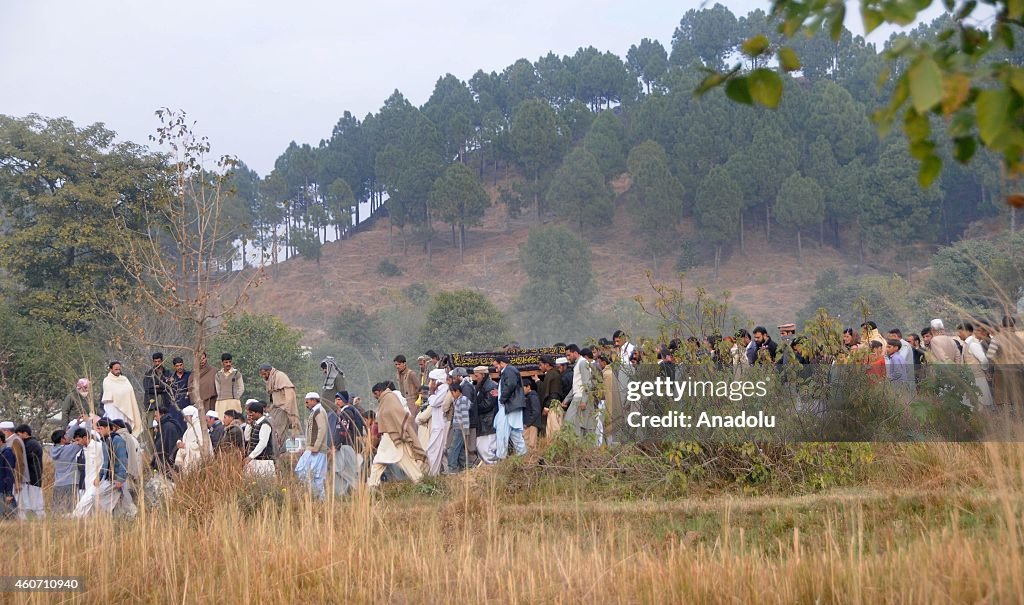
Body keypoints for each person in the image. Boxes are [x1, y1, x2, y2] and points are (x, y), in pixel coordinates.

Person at [368, 382, 426, 487]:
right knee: (402, 461)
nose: (376, 398)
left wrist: (399, 430)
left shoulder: (389, 398)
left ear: (378, 392)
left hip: (392, 435)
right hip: (391, 435)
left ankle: (372, 486)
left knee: (379, 461)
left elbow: (397, 413)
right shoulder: (386, 398)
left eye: (375, 395)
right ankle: (420, 481)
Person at [74, 418, 132, 518]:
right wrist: (100, 477)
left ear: (109, 428)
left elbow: (122, 460)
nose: (98, 431)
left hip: (116, 478)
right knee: (115, 501)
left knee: (121, 501)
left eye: (100, 428)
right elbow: (105, 463)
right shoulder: (105, 442)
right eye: (98, 429)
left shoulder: (117, 440)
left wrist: (120, 479)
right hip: (108, 477)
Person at [259, 363, 299, 458]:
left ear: (269, 371)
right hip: (275, 409)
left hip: (282, 409)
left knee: (279, 434)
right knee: (272, 433)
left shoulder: (280, 376)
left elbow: (290, 394)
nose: (263, 376)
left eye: (264, 374)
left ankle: (278, 455)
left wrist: (287, 408)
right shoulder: (271, 379)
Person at [295, 393, 329, 500]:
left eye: (307, 401)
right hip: (312, 448)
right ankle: (314, 497)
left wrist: (316, 446)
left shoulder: (319, 412)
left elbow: (322, 429)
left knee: (314, 475)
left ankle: (319, 499)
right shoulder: (315, 412)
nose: (306, 404)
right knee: (306, 473)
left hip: (316, 450)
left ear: (314, 400)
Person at [332, 392, 366, 496]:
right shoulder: (349, 411)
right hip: (347, 446)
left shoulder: (346, 413)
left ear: (345, 401)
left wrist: (336, 445)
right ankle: (343, 493)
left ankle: (359, 490)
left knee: (344, 471)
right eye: (336, 399)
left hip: (345, 446)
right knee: (343, 470)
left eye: (339, 399)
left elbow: (343, 431)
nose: (337, 402)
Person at [495, 355, 527, 459]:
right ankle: (522, 455)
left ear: (501, 363)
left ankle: (502, 457)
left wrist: (502, 399)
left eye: (496, 366)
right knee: (514, 432)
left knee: (502, 432)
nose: (496, 369)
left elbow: (510, 385)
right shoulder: (509, 371)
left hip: (509, 407)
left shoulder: (508, 370)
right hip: (510, 407)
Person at [101, 361, 143, 437]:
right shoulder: (107, 380)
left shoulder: (124, 379)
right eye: (116, 369)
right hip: (114, 407)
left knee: (126, 427)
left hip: (126, 407)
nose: (118, 371)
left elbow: (130, 391)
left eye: (119, 369)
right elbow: (111, 393)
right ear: (111, 369)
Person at [48, 427, 81, 515]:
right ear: (62, 439)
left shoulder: (53, 450)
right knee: (70, 508)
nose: (68, 436)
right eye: (65, 435)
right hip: (70, 481)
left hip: (58, 482)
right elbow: (85, 438)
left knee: (57, 507)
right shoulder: (69, 449)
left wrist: (76, 424)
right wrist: (88, 423)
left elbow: (68, 436)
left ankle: (56, 522)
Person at [447, 368, 475, 472]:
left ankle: (452, 467)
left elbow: (464, 416)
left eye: (453, 392)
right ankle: (469, 466)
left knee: (453, 448)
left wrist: (464, 430)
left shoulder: (462, 401)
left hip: (460, 428)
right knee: (461, 449)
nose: (452, 395)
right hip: (458, 427)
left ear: (458, 391)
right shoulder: (458, 400)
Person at [423, 368, 450, 475]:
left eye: (432, 380)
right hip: (437, 425)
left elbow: (434, 402)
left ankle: (433, 474)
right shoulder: (439, 390)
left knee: (433, 450)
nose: (430, 383)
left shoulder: (444, 389)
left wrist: (432, 393)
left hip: (441, 425)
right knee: (439, 452)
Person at [15, 424, 44, 519]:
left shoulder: (31, 444)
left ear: (25, 433)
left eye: (19, 434)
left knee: (36, 502)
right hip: (32, 476)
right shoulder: (30, 443)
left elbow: (24, 459)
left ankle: (40, 518)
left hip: (33, 476)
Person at [471, 366, 499, 465]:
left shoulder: (492, 386)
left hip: (488, 422)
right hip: (483, 422)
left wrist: (473, 407)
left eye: (477, 375)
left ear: (483, 375)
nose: (476, 378)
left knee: (485, 448)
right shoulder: (481, 386)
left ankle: (493, 468)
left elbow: (488, 404)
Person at [243, 401, 275, 477]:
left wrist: (251, 456)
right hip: (255, 460)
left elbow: (262, 443)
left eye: (251, 412)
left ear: (258, 413)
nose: (250, 415)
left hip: (263, 461)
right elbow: (247, 437)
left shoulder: (265, 424)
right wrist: (249, 424)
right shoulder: (255, 424)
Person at [151, 405, 183, 476]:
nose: (155, 419)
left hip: (167, 464)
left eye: (156, 416)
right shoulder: (164, 426)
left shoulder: (168, 427)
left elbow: (168, 446)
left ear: (162, 414)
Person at [175, 405, 208, 473]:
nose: (184, 420)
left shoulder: (199, 426)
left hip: (197, 461)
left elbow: (202, 444)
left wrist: (185, 445)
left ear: (192, 416)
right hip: (188, 458)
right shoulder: (190, 428)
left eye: (186, 417)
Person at [142, 352, 174, 420]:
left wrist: (157, 386)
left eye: (159, 361)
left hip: (165, 404)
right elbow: (147, 388)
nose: (157, 363)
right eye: (155, 361)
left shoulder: (168, 372)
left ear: (162, 361)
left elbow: (169, 387)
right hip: (151, 405)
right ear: (153, 362)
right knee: (151, 426)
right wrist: (162, 386)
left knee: (165, 423)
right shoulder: (149, 373)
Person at [214, 353, 246, 418]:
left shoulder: (236, 373)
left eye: (230, 362)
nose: (228, 364)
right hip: (221, 402)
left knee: (234, 419)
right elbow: (218, 389)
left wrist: (235, 396)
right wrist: (222, 396)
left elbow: (241, 388)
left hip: (234, 402)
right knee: (222, 420)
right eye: (226, 362)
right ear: (222, 363)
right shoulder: (218, 375)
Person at [188, 351, 218, 417]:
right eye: (200, 359)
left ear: (206, 358)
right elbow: (190, 390)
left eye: (203, 358)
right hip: (198, 405)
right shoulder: (193, 375)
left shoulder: (214, 371)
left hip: (211, 403)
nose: (202, 361)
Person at [522, 378, 543, 450]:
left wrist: (528, 423)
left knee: (531, 445)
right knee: (527, 445)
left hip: (532, 425)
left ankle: (532, 461)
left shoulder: (533, 396)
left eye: (523, 387)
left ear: (528, 387)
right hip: (529, 424)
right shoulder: (528, 396)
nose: (522, 390)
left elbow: (536, 411)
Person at [0, 432, 16, 519]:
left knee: (9, 517)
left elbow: (9, 473)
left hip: (4, 490)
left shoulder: (7, 453)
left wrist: (9, 493)